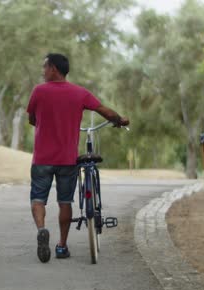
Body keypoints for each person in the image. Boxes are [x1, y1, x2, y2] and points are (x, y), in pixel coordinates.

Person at [26, 54, 129, 263]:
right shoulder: (79, 93)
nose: (43, 71)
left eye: (44, 67)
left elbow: (32, 119)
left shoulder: (39, 91)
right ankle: (62, 246)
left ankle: (42, 229)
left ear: (53, 69)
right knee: (65, 201)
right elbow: (104, 111)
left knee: (38, 198)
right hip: (67, 159)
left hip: (42, 159)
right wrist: (119, 119)